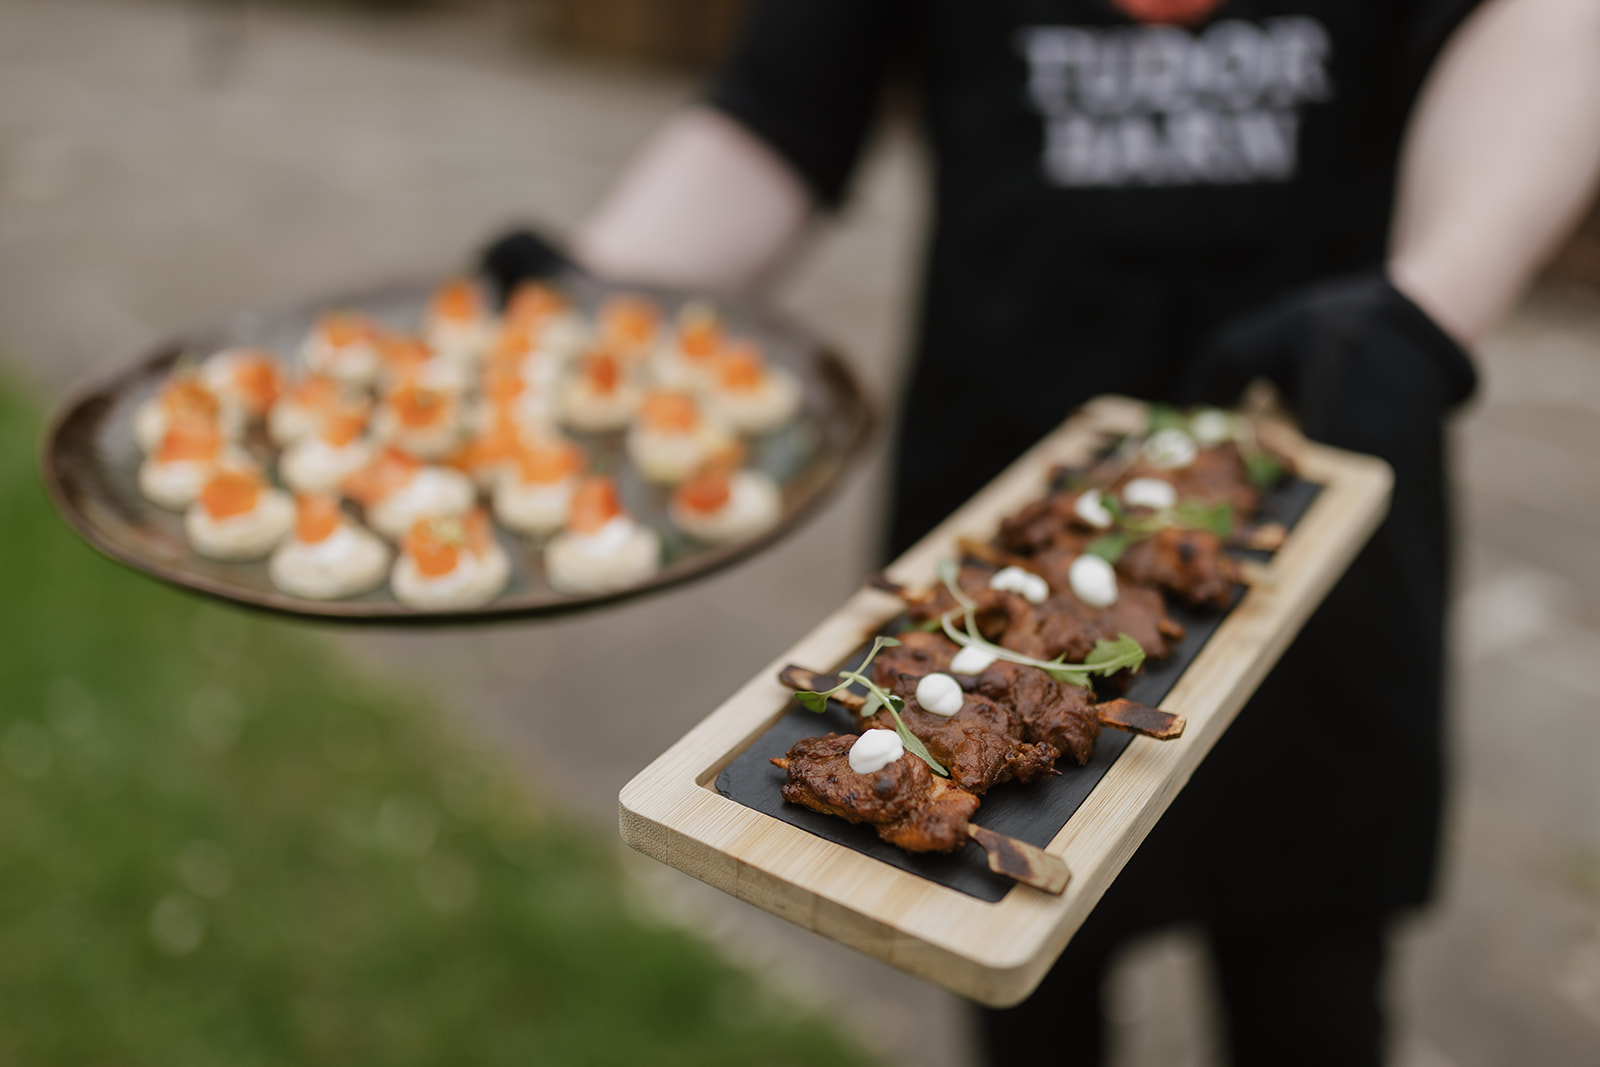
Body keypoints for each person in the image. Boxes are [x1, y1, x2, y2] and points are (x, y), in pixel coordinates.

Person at [497, 1, 1600, 1062]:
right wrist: (595, 309)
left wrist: (1430, 300)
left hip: (1317, 443)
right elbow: (783, 104)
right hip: (1001, 481)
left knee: (1310, 996)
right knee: (1025, 1001)